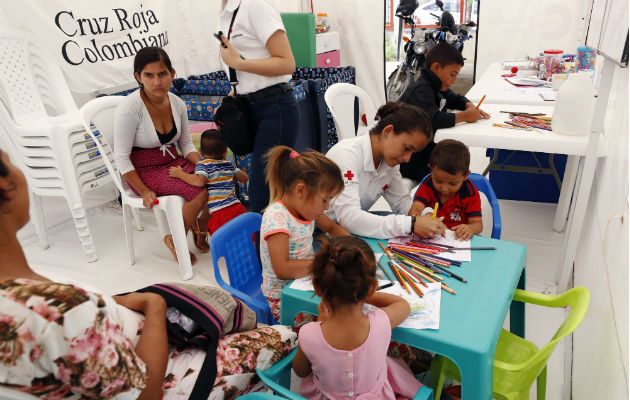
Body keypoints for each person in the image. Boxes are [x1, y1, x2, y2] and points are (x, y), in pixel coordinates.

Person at [0, 148, 168, 399]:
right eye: (9, 161)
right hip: (145, 373)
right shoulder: (55, 311)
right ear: (5, 184)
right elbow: (145, 395)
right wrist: (155, 307)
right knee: (247, 347)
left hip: (114, 353)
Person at [292, 236, 423, 399]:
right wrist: (360, 291)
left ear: (317, 288)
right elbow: (403, 305)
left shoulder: (309, 334)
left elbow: (300, 371)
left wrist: (320, 322)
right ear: (371, 288)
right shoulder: (380, 323)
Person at [114, 46, 209, 265]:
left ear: (172, 74)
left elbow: (185, 144)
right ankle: (175, 239)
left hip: (172, 161)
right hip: (143, 169)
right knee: (197, 190)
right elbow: (121, 157)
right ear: (138, 77)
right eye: (149, 75)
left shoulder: (177, 103)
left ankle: (199, 225)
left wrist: (204, 165)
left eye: (162, 74)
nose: (157, 81)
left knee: (217, 179)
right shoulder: (130, 108)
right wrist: (145, 191)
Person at [217, 0, 299, 213]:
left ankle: (266, 244)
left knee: (262, 193)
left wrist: (240, 63)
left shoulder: (256, 4)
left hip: (275, 107)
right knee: (267, 190)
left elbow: (287, 63)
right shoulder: (228, 11)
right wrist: (232, 97)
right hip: (249, 105)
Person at [326, 102, 447, 240]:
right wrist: (411, 224)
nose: (407, 159)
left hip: (347, 233)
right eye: (407, 148)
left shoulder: (389, 163)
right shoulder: (347, 156)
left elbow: (401, 201)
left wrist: (425, 214)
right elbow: (349, 218)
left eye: (413, 153)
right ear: (387, 131)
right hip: (313, 234)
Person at [261, 146, 349, 322]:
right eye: (325, 200)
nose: (326, 207)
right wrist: (326, 262)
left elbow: (332, 228)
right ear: (301, 191)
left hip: (306, 282)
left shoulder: (306, 210)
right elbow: (283, 270)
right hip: (284, 299)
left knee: (351, 305)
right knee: (337, 325)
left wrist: (354, 248)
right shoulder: (277, 218)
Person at [399, 42, 490, 183]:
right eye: (452, 75)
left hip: (427, 150)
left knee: (456, 159)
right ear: (436, 67)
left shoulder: (436, 87)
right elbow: (434, 119)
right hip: (411, 159)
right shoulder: (421, 90)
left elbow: (455, 98)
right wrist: (465, 116)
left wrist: (470, 106)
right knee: (453, 168)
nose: (454, 81)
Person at [169, 129, 249, 236]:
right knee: (241, 236)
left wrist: (179, 174)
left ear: (200, 151)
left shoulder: (203, 165)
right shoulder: (228, 164)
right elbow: (245, 178)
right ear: (225, 152)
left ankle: (201, 230)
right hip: (236, 207)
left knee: (221, 239)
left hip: (219, 211)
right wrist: (234, 174)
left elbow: (199, 181)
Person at [409, 139, 483, 240]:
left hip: (456, 240)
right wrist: (418, 220)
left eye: (452, 183)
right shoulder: (428, 184)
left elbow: (477, 225)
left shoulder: (469, 192)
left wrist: (470, 228)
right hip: (430, 237)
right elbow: (415, 209)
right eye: (438, 181)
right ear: (430, 169)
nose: (444, 188)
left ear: (466, 175)